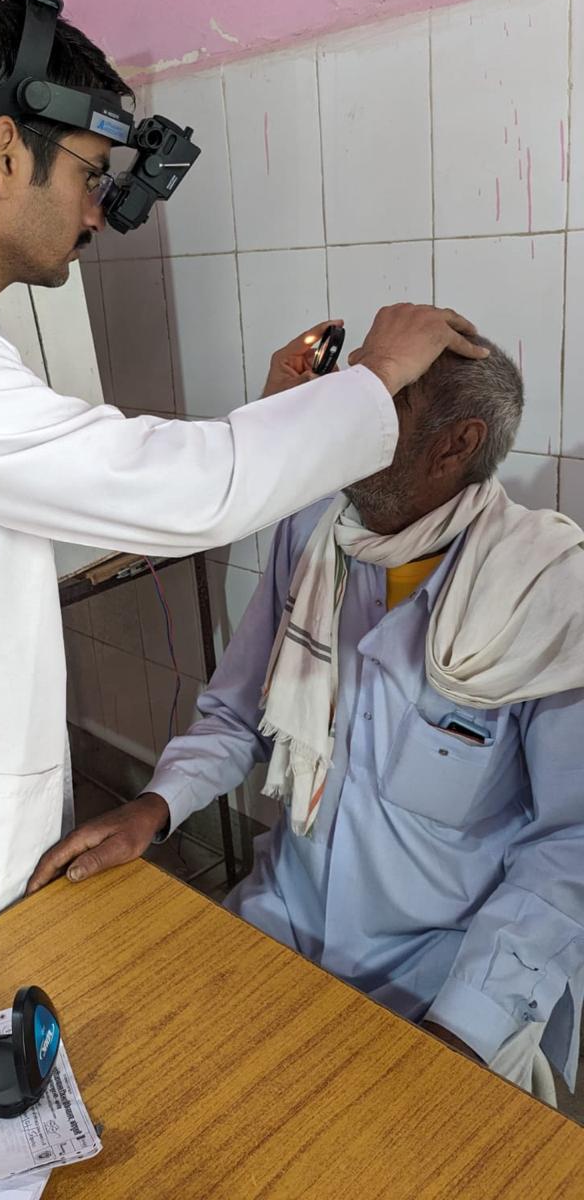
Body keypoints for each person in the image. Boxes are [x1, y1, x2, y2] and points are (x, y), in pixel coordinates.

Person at [0, 0, 483, 1029]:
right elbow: (173, 489)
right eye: (91, 175)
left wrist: (284, 421)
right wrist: (374, 378)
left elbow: (87, 488)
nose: (99, 212)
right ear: (5, 152)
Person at [30, 340, 584, 1103]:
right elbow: (239, 713)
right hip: (282, 919)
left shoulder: (545, 595)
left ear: (456, 445)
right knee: (153, 1090)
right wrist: (155, 807)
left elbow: (570, 845)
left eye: (389, 399)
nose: (348, 411)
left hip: (436, 978)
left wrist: (465, 1027)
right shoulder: (315, 534)